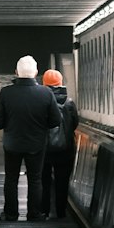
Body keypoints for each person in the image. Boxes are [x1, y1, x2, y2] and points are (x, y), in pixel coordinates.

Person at [0, 55, 62, 221]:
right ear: (36, 72)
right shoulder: (46, 93)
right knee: (35, 179)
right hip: (36, 144)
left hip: (12, 144)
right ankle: (34, 214)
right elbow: (55, 121)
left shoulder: (6, 93)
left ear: (16, 72)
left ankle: (10, 214)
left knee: (11, 179)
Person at [39, 68, 79, 219]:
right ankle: (61, 213)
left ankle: (44, 211)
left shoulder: (41, 101)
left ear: (44, 84)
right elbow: (74, 123)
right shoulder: (69, 103)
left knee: (44, 181)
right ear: (61, 83)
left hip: (44, 149)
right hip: (65, 150)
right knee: (62, 182)